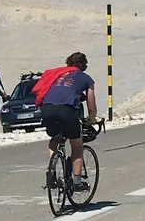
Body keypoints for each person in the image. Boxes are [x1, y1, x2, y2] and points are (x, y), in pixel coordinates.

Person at [35, 53, 100, 188]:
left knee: (55, 138)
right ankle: (77, 182)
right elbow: (91, 104)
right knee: (77, 145)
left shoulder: (57, 74)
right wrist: (92, 119)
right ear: (84, 66)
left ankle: (51, 173)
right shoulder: (86, 79)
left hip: (47, 109)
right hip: (67, 110)